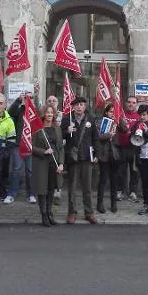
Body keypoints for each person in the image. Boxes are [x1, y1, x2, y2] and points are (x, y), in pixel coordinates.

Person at [61, 96, 99, 224]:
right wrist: (66, 131)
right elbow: (60, 136)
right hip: (73, 157)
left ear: (85, 106)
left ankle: (89, 212)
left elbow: (95, 138)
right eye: (77, 105)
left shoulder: (91, 119)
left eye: (81, 105)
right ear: (73, 107)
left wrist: (96, 154)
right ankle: (72, 212)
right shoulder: (67, 119)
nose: (79, 107)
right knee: (72, 187)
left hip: (87, 157)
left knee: (87, 187)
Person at [32, 106, 64, 226]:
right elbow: (31, 146)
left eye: (52, 112)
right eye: (47, 112)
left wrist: (61, 163)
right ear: (43, 114)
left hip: (54, 163)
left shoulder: (57, 129)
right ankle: (44, 214)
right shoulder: (37, 129)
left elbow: (61, 148)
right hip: (41, 163)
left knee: (51, 188)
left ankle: (50, 212)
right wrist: (43, 152)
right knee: (42, 190)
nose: (50, 114)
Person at [7, 89, 39, 204]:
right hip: (18, 144)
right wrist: (18, 100)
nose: (28, 100)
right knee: (16, 169)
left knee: (30, 171)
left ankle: (31, 194)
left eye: (30, 98)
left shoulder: (36, 111)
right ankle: (11, 194)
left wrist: (36, 97)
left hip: (31, 145)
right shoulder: (19, 110)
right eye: (26, 98)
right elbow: (10, 113)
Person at [96, 103, 123, 214]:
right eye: (111, 111)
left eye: (114, 111)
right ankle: (100, 203)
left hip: (115, 154)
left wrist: (121, 120)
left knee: (114, 180)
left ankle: (113, 204)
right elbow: (98, 136)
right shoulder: (100, 121)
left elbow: (125, 130)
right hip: (104, 153)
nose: (113, 113)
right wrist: (108, 135)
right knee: (103, 180)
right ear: (106, 112)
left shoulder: (117, 121)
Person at [115, 96, 141, 202]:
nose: (131, 104)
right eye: (129, 102)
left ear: (136, 104)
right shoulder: (121, 114)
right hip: (122, 147)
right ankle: (120, 191)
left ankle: (133, 192)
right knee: (121, 171)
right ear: (126, 103)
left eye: (133, 102)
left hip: (135, 148)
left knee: (134, 171)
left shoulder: (139, 116)